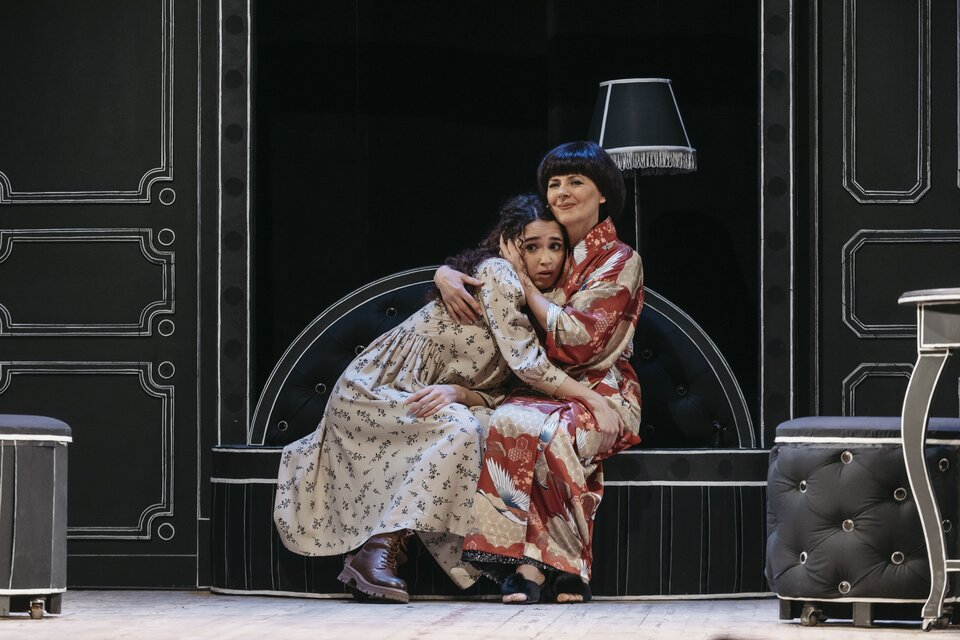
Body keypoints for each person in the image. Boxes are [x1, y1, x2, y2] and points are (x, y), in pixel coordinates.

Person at [274, 193, 622, 604]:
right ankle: (377, 551)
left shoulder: (544, 307)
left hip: (425, 397)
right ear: (509, 245)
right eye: (531, 247)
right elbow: (527, 366)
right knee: (463, 429)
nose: (545, 258)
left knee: (491, 427)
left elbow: (506, 392)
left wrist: (461, 392)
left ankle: (504, 560)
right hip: (375, 391)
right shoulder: (498, 274)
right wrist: (593, 400)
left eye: (555, 246)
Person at [434, 141, 644, 604]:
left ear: (603, 193)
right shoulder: (550, 246)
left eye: (576, 182)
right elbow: (483, 264)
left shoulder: (620, 259)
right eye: (554, 183)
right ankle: (537, 566)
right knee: (511, 420)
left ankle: (549, 568)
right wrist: (444, 273)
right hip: (541, 391)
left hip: (603, 392)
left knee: (552, 433)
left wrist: (528, 289)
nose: (562, 192)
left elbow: (582, 340)